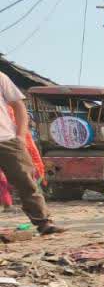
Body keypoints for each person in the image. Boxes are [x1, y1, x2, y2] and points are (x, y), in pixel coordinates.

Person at [0, 71, 62, 234]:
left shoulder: (1, 77)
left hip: (7, 139)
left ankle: (43, 222)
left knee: (25, 180)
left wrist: (20, 136)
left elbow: (19, 106)